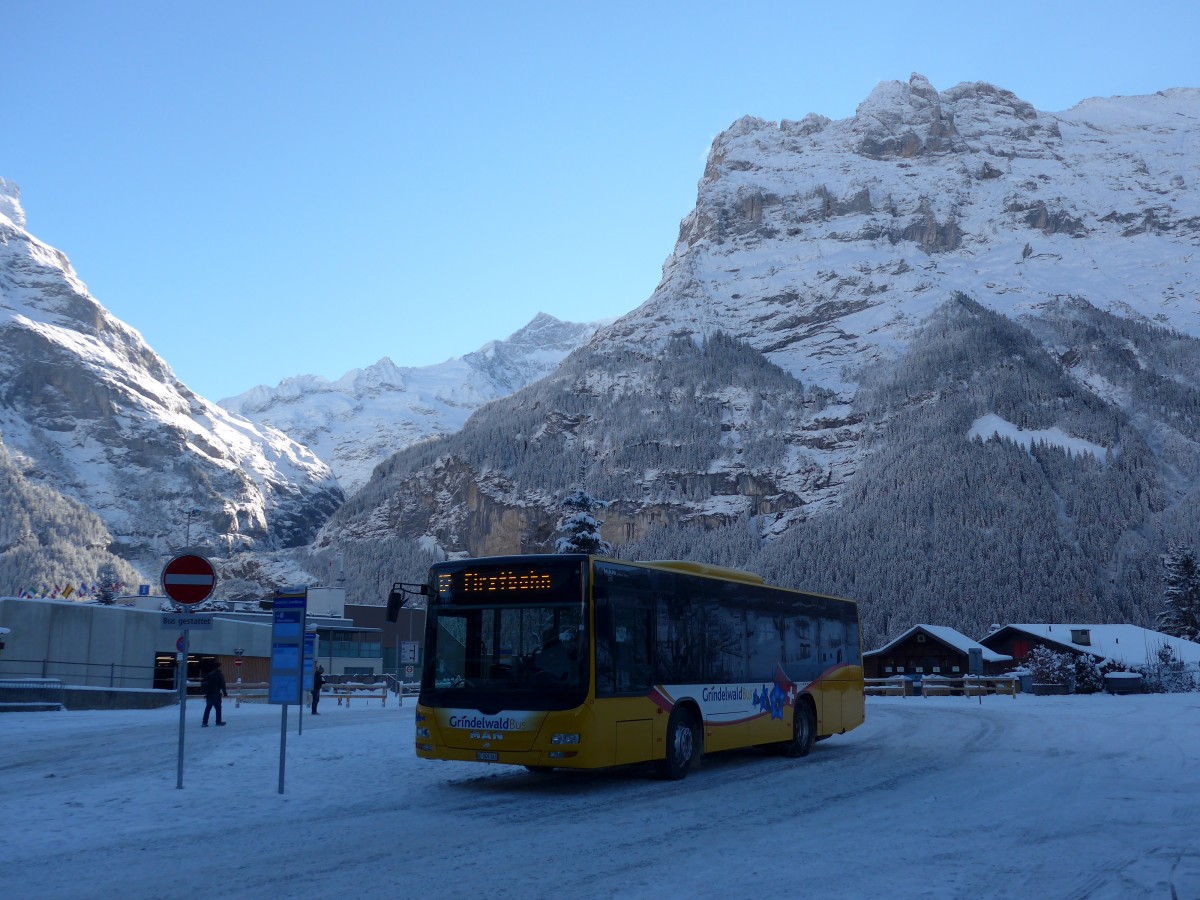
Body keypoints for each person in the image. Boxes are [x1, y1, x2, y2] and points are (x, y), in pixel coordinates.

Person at [202, 662, 228, 727]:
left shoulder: (208, 674)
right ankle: (218, 721)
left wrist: (205, 692)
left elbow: (204, 684)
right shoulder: (219, 674)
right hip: (216, 694)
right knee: (218, 708)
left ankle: (204, 722)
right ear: (218, 667)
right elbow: (222, 684)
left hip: (209, 694)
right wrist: (225, 693)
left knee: (208, 708)